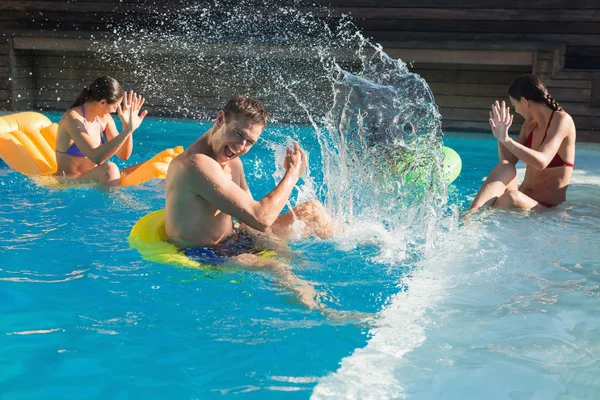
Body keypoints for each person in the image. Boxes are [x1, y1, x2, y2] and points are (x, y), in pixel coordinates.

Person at [165, 95, 336, 309]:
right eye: (238, 134)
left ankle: (358, 247)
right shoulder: (195, 164)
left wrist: (279, 247)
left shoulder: (233, 164)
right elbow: (260, 218)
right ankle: (327, 312)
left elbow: (249, 222)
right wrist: (292, 174)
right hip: (205, 253)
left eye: (250, 142)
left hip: (235, 239)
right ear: (220, 119)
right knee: (277, 268)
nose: (241, 147)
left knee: (313, 210)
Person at [469, 74, 576, 211]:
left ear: (524, 102)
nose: (516, 110)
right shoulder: (529, 125)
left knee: (510, 198)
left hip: (546, 208)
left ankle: (476, 216)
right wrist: (501, 137)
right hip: (523, 198)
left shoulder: (562, 120)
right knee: (505, 167)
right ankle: (470, 215)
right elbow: (509, 161)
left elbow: (541, 162)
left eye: (514, 105)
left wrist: (507, 140)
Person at [55, 76, 148, 186]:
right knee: (110, 168)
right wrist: (127, 130)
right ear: (102, 102)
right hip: (70, 182)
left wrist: (127, 126)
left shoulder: (104, 118)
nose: (115, 110)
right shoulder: (72, 118)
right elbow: (96, 157)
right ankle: (114, 202)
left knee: (147, 166)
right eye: (115, 106)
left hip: (94, 179)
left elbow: (124, 155)